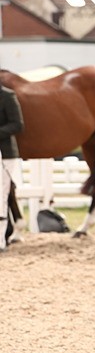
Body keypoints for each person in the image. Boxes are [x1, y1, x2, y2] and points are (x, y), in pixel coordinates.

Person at [0, 84, 24, 251]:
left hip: (5, 154)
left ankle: (0, 239)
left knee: (1, 197)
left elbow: (17, 124)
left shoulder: (7, 96)